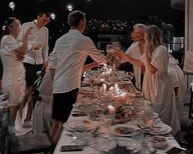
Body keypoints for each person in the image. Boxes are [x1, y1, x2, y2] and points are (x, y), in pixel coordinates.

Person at [49, 10, 106, 144]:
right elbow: (101, 60)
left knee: (57, 122)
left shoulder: (60, 40)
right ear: (81, 22)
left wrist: (55, 82)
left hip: (58, 85)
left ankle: (49, 151)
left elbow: (52, 65)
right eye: (85, 22)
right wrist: (110, 56)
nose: (85, 24)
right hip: (69, 87)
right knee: (65, 124)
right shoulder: (83, 40)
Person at [114, 25, 180, 135]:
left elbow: (152, 69)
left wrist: (145, 53)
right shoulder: (151, 51)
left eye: (145, 37)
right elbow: (138, 63)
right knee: (150, 110)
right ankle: (152, 133)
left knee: (158, 112)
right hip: (150, 85)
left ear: (151, 37)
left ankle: (162, 136)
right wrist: (123, 55)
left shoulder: (161, 50)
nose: (144, 40)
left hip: (159, 86)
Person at [17, 11, 50, 127]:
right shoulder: (27, 26)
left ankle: (28, 117)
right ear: (38, 17)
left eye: (47, 21)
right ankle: (20, 111)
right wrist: (31, 46)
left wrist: (46, 62)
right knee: (27, 90)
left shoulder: (46, 30)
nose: (45, 22)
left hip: (39, 62)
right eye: (44, 19)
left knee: (35, 92)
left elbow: (46, 47)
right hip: (27, 61)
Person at [0, 17, 32, 121]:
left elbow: (22, 53)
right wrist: (26, 36)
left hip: (17, 77)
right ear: (10, 27)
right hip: (12, 79)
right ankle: (7, 134)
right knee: (11, 108)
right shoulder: (7, 38)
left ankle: (10, 132)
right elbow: (23, 51)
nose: (19, 28)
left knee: (15, 105)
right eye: (18, 26)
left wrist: (20, 55)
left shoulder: (12, 40)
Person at [123, 23, 146, 90]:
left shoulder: (152, 45)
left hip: (151, 77)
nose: (134, 34)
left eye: (138, 33)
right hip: (140, 76)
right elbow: (123, 59)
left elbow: (140, 62)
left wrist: (122, 54)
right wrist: (116, 55)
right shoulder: (134, 45)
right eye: (134, 32)